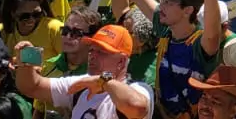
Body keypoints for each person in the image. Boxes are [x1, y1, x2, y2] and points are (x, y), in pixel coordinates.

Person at [14, 24, 154, 119]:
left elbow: (137, 107)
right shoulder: (84, 84)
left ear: (121, 62)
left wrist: (103, 81)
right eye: (92, 50)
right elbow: (33, 87)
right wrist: (26, 64)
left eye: (101, 52)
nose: (92, 55)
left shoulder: (139, 89)